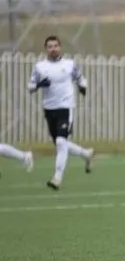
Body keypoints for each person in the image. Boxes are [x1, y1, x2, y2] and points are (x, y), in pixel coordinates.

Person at [28, 35, 94, 190]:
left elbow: (81, 79)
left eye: (56, 46)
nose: (53, 49)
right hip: (49, 108)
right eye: (50, 47)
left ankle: (57, 178)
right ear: (46, 49)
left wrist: (83, 87)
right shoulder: (40, 67)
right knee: (60, 143)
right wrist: (38, 85)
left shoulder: (69, 64)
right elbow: (30, 86)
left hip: (65, 107)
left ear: (60, 47)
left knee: (60, 142)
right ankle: (85, 154)